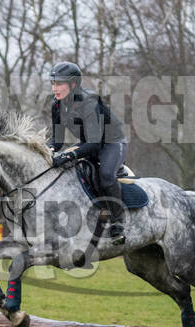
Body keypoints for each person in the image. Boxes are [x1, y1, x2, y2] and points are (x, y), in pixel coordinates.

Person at [47, 61, 128, 245]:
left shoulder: (88, 102)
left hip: (111, 143)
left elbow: (95, 143)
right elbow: (57, 140)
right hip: (88, 143)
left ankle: (118, 222)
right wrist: (49, 150)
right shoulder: (57, 105)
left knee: (106, 175)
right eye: (53, 83)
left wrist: (70, 155)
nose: (54, 88)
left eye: (59, 83)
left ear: (73, 84)